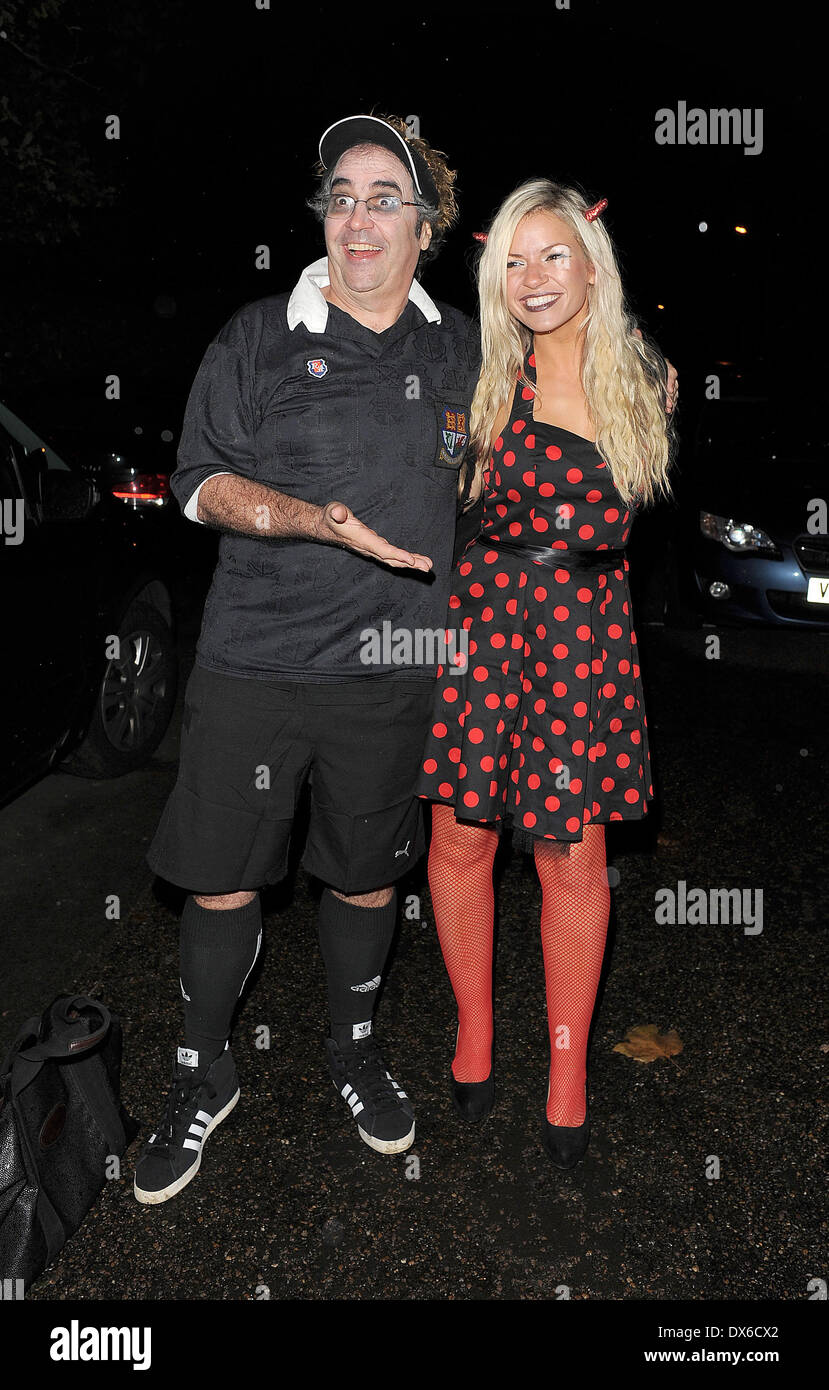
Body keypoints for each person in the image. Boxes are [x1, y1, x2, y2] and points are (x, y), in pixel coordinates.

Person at [134, 114, 482, 1203]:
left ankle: (354, 1049)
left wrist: (647, 371)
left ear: (426, 227)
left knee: (368, 872)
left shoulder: (464, 347)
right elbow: (196, 482)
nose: (358, 216)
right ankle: (205, 1070)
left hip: (397, 665)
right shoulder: (255, 335)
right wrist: (309, 519)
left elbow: (568, 372)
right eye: (341, 194)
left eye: (387, 197)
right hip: (256, 660)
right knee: (224, 878)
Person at [417, 179, 676, 1169]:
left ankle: (567, 1072)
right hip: (484, 624)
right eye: (512, 262)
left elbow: (623, 526)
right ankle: (474, 1033)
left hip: (583, 632)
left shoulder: (647, 382)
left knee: (572, 856)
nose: (531, 278)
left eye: (551, 255)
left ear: (590, 261)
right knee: (460, 836)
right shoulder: (478, 379)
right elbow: (433, 506)